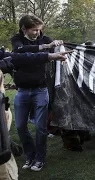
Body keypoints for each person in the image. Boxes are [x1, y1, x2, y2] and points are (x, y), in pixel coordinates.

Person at [10, 14, 63, 172]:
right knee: (20, 126)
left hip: (41, 90)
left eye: (39, 30)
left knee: (40, 128)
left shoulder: (46, 38)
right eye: (34, 30)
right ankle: (30, 155)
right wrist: (45, 49)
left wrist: (58, 46)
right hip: (22, 91)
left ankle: (39, 158)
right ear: (23, 29)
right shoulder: (17, 40)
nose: (38, 34)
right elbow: (19, 53)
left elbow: (58, 51)